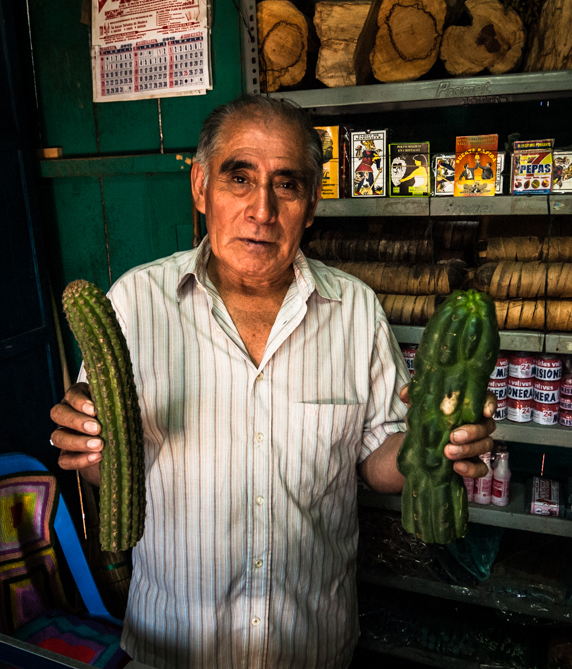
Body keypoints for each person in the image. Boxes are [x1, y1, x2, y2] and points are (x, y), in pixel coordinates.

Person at [49, 95, 496, 669]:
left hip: (311, 646)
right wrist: (87, 447)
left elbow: (378, 462)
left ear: (310, 206)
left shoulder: (355, 310)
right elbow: (105, 470)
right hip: (174, 648)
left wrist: (437, 442)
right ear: (201, 186)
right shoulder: (135, 303)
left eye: (286, 185)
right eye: (240, 177)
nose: (262, 209)